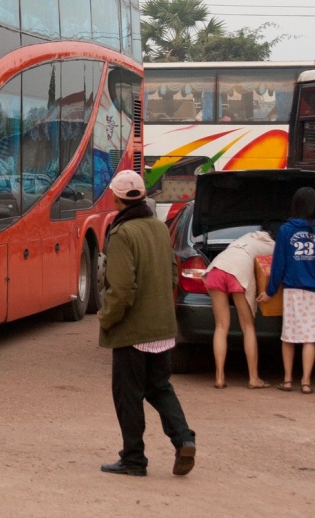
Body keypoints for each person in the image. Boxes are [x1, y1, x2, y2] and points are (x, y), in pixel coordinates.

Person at [98, 170, 196, 478]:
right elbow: (171, 273)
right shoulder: (157, 227)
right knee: (160, 387)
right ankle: (184, 439)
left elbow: (122, 290)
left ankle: (134, 458)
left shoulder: (121, 233)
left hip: (133, 330)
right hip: (163, 327)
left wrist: (106, 318)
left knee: (128, 394)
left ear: (116, 198)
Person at [258, 187, 315, 394]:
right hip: (314, 291)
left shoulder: (285, 230)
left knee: (289, 336)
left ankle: (288, 380)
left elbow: (278, 265)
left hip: (291, 290)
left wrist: (270, 291)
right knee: (310, 338)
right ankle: (307, 382)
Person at [202, 229, 274, 389]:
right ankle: (254, 378)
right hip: (238, 273)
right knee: (248, 327)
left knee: (221, 326)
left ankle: (219, 377)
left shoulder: (244, 237)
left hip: (216, 268)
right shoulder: (271, 245)